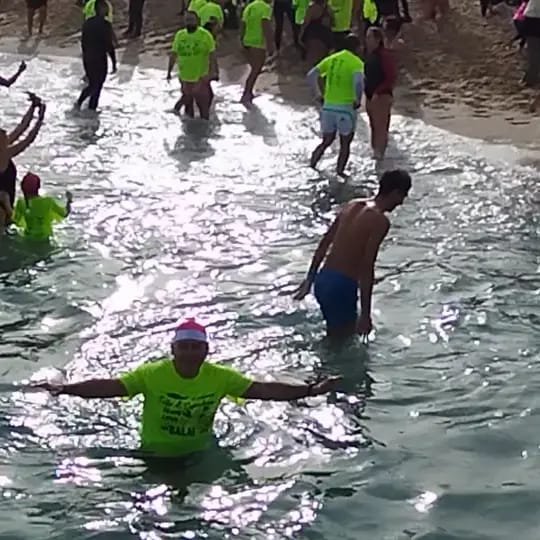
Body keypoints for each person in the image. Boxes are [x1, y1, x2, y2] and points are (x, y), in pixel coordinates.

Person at [34, 318, 340, 457]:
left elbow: (263, 390)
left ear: (206, 350)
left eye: (197, 347)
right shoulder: (152, 374)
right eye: (185, 347)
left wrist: (309, 391)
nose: (191, 353)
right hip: (154, 454)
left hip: (200, 453)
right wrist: (66, 389)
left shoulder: (221, 377)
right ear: (174, 349)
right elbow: (111, 387)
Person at [293, 169, 411, 339]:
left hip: (323, 280)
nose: (401, 202)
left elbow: (324, 243)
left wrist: (309, 279)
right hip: (342, 286)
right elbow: (366, 266)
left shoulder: (352, 205)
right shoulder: (380, 221)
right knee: (342, 344)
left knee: (334, 336)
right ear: (395, 193)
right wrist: (366, 315)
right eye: (403, 196)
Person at [307, 33, 364, 177]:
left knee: (326, 140)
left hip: (328, 107)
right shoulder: (356, 62)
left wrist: (318, 94)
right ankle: (340, 173)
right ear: (357, 48)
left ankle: (312, 165)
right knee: (345, 144)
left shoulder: (331, 59)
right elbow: (358, 81)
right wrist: (357, 99)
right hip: (345, 109)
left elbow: (311, 75)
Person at [167, 11, 217, 120]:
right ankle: (187, 124)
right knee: (188, 111)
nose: (189, 22)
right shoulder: (180, 35)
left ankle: (205, 128)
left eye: (191, 20)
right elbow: (173, 54)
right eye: (187, 20)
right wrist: (169, 71)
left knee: (204, 109)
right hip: (184, 77)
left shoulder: (205, 35)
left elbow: (212, 55)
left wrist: (212, 72)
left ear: (197, 21)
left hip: (201, 77)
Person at [0, 93, 46, 210]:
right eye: (4, 136)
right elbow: (28, 140)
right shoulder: (4, 154)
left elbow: (21, 127)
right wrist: (40, 120)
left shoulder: (4, 148)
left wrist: (33, 107)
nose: (7, 136)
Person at [76, 0, 117, 112]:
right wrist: (114, 62)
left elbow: (83, 42)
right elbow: (109, 45)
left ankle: (81, 104)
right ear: (101, 9)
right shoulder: (106, 25)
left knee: (93, 83)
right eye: (106, 8)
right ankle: (90, 107)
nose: (108, 10)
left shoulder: (87, 23)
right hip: (100, 58)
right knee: (98, 84)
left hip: (88, 58)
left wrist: (85, 56)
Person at [364, 26, 397, 159]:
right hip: (370, 95)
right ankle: (375, 152)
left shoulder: (384, 55)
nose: (367, 40)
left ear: (378, 39)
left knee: (380, 126)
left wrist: (378, 92)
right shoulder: (370, 55)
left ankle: (380, 154)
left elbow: (391, 77)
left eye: (369, 37)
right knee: (373, 125)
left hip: (382, 95)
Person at [11, 173, 72, 241]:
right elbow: (65, 214)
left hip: (28, 238)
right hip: (45, 238)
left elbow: (15, 221)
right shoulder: (48, 201)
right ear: (39, 187)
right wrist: (69, 201)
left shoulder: (21, 203)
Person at [240, 0, 274, 107]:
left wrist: (241, 40)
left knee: (254, 69)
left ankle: (248, 92)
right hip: (258, 42)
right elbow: (266, 25)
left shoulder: (249, 6)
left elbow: (243, 24)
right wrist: (270, 44)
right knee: (256, 70)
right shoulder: (265, 8)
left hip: (247, 41)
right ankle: (246, 93)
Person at [300, 0, 334, 66]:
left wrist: (300, 36)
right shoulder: (329, 9)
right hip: (327, 39)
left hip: (313, 36)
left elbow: (305, 23)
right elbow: (333, 23)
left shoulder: (312, 8)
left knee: (311, 63)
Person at [523, 0, 540, 87]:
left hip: (532, 16)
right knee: (534, 49)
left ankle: (531, 75)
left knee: (533, 49)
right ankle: (532, 76)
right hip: (534, 18)